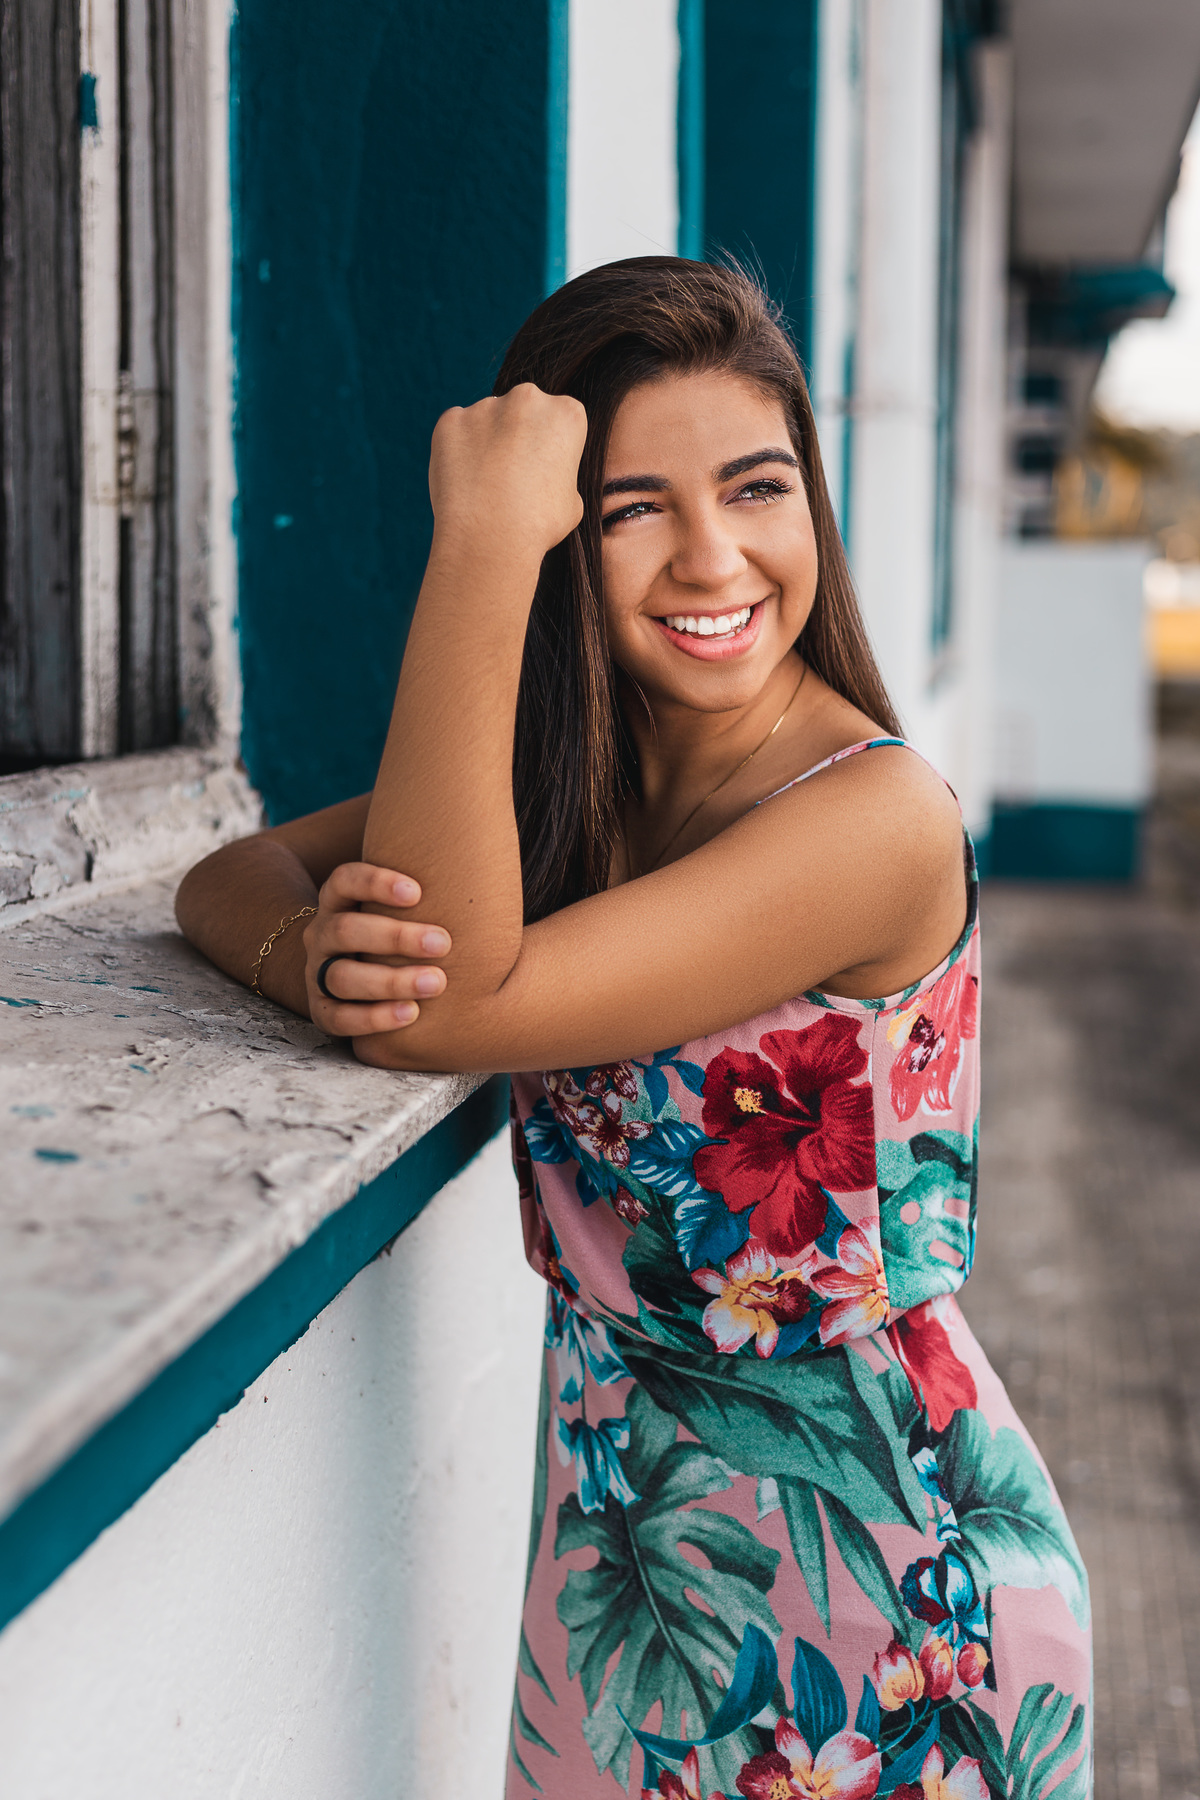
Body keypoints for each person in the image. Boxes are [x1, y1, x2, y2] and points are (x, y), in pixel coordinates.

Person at [177, 258, 1091, 1800]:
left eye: (757, 488)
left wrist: (475, 538)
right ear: (572, 544)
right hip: (631, 1546)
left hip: (890, 1596)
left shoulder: (871, 819)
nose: (712, 556)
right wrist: (308, 950)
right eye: (629, 510)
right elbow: (229, 875)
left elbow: (449, 1008)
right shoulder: (578, 798)